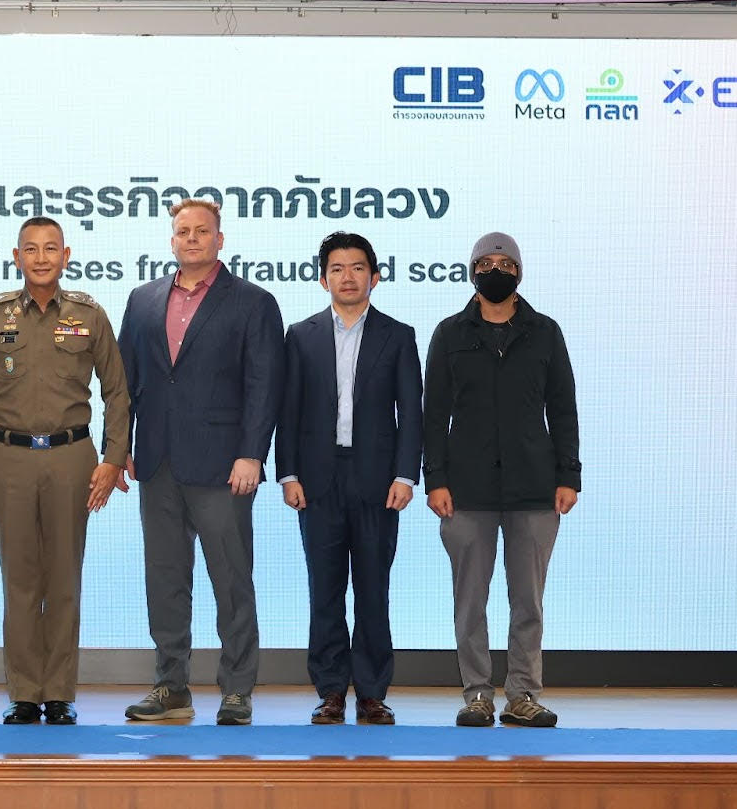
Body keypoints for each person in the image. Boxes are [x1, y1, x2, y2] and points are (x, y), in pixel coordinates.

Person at [118, 199, 284, 725]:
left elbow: (264, 385)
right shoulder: (142, 300)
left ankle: (237, 690)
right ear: (172, 240)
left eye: (201, 231)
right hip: (157, 463)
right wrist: (118, 446)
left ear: (220, 239)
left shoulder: (253, 302)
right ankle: (171, 686)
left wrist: (252, 453)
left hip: (224, 466)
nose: (191, 239)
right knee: (165, 579)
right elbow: (124, 382)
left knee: (231, 581)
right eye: (182, 231)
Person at [0, 217, 130, 725]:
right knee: (19, 580)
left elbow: (117, 391)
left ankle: (58, 693)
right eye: (30, 249)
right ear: (16, 257)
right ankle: (23, 693)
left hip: (70, 457)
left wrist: (113, 458)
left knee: (63, 578)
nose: (40, 258)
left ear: (65, 255)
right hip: (7, 458)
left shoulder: (88, 314)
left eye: (50, 248)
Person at [423, 232, 580, 728]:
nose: (496, 271)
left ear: (519, 272)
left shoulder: (545, 332)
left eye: (506, 263)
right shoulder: (449, 333)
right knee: (470, 600)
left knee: (527, 599)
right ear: (472, 271)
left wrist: (569, 475)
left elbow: (563, 408)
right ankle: (476, 694)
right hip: (465, 490)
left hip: (535, 486)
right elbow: (433, 414)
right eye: (486, 263)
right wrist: (435, 479)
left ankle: (522, 694)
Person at [276, 232, 422, 725]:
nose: (348, 277)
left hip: (378, 482)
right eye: (336, 268)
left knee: (373, 591)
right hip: (317, 480)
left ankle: (373, 693)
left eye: (358, 268)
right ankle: (332, 691)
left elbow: (412, 413)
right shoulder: (301, 335)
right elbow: (288, 410)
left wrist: (406, 474)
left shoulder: (398, 335)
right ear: (323, 279)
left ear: (374, 277)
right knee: (325, 591)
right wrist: (288, 473)